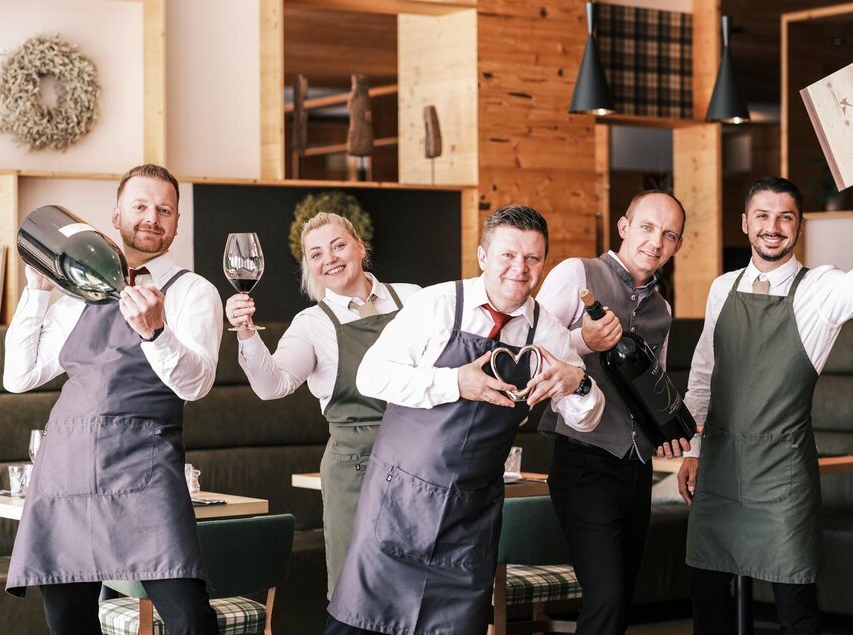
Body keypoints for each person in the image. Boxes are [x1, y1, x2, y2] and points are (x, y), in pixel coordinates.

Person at [324, 205, 606, 635]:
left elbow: (586, 419)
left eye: (533, 258)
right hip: (398, 502)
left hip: (470, 517)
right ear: (482, 256)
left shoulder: (544, 332)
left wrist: (578, 383)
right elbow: (371, 376)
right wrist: (456, 382)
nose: (520, 268)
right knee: (360, 625)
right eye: (508, 255)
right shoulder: (436, 304)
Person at [678, 163, 853, 635]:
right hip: (717, 464)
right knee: (707, 596)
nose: (772, 227)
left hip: (782, 471)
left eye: (785, 217)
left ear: (799, 226)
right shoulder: (723, 288)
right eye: (762, 216)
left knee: (794, 600)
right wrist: (693, 450)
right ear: (745, 223)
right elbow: (703, 375)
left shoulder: (820, 290)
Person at [3, 164, 224, 635]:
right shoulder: (76, 292)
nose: (152, 217)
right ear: (117, 215)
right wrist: (37, 291)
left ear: (177, 222)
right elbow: (19, 377)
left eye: (164, 209)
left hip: (145, 469)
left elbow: (196, 384)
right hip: (65, 466)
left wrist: (156, 333)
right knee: (68, 620)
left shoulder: (193, 292)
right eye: (140, 206)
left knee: (190, 617)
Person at [224, 211, 421, 598]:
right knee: (359, 592)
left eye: (338, 245)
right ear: (309, 268)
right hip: (354, 469)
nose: (329, 258)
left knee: (421, 585)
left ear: (360, 247)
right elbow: (272, 386)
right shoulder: (311, 323)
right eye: (315, 254)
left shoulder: (413, 298)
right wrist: (245, 331)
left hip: (420, 460)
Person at [536, 190, 691, 634]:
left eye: (669, 234)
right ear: (624, 227)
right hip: (583, 459)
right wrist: (585, 341)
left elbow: (652, 388)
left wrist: (674, 431)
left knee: (621, 599)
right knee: (605, 598)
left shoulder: (662, 309)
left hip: (636, 467)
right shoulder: (577, 274)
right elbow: (531, 352)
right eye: (646, 227)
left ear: (677, 246)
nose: (655, 242)